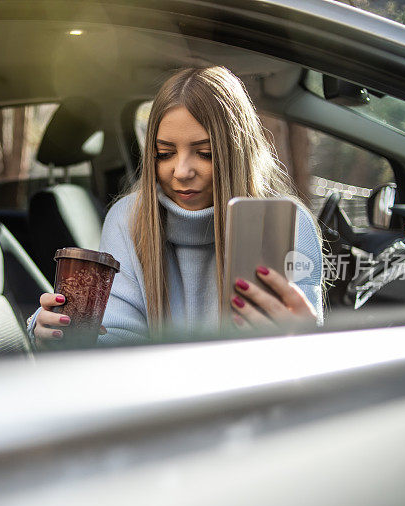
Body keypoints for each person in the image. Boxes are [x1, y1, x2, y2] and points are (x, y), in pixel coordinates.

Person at [30, 66, 322, 348]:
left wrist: (305, 342)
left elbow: (307, 364)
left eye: (205, 153)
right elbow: (116, 341)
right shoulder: (128, 218)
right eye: (165, 153)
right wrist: (55, 330)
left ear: (236, 153)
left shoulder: (290, 224)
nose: (181, 171)